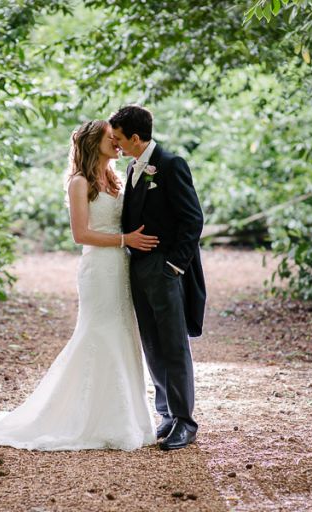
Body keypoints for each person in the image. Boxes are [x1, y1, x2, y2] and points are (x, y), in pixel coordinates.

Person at [0, 120, 158, 451]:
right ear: (93, 143)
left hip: (121, 266)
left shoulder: (119, 177)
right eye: (110, 138)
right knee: (97, 333)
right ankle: (84, 418)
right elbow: (80, 234)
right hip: (98, 268)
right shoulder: (79, 183)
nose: (117, 142)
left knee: (122, 332)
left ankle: (126, 416)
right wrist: (124, 239)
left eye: (117, 137)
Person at [110, 105, 206, 451]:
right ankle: (165, 412)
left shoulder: (170, 165)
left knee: (173, 344)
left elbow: (192, 220)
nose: (117, 146)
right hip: (138, 268)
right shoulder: (135, 167)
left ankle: (185, 420)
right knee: (152, 343)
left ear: (136, 138)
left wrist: (175, 267)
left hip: (165, 269)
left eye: (120, 140)